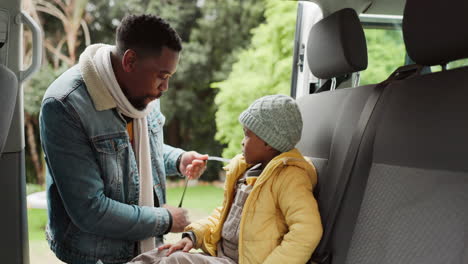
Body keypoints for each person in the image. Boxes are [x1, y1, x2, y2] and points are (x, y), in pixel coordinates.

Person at [39, 14, 208, 264]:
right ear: (129, 60)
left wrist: (179, 159)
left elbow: (136, 149)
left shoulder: (142, 93)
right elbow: (89, 210)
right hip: (93, 255)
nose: (165, 88)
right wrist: (166, 220)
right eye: (162, 76)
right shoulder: (64, 105)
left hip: (144, 248)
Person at [129, 95, 323, 264]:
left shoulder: (289, 177)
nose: (242, 141)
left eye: (247, 135)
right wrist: (193, 236)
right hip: (221, 257)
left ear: (269, 143)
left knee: (176, 261)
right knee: (158, 254)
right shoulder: (247, 172)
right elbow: (223, 216)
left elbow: (307, 231)